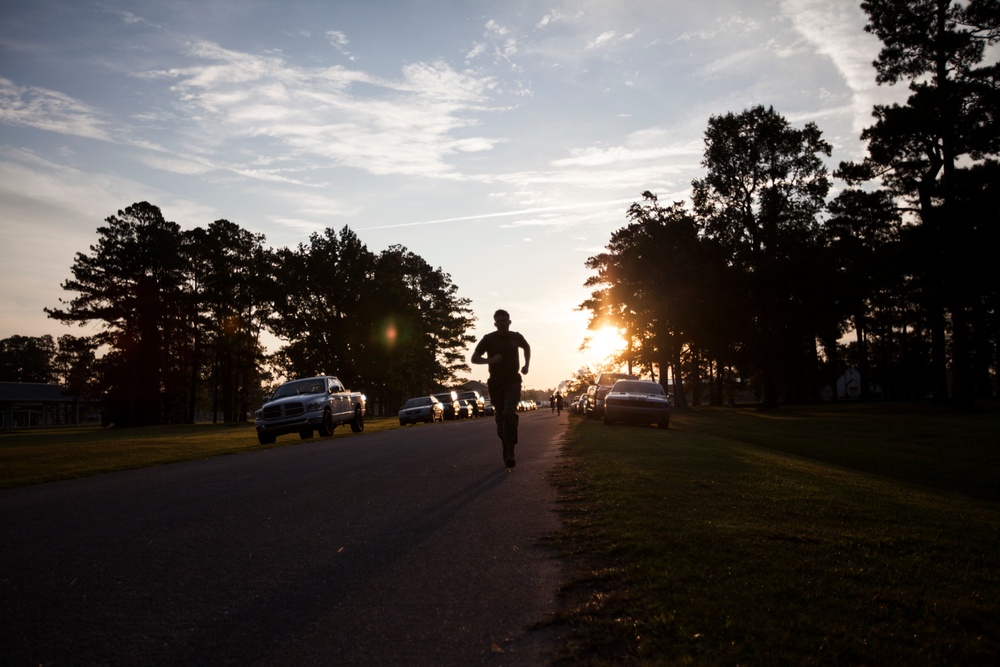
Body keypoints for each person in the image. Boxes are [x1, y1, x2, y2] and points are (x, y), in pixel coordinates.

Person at [471, 309, 531, 468]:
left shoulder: (516, 337)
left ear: (509, 322)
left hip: (513, 380)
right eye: (499, 321)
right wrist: (490, 360)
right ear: (495, 324)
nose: (502, 323)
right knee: (501, 418)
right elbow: (474, 358)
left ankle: (510, 451)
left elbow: (526, 347)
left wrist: (526, 365)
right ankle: (505, 444)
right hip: (495, 383)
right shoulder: (488, 339)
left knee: (509, 412)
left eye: (505, 320)